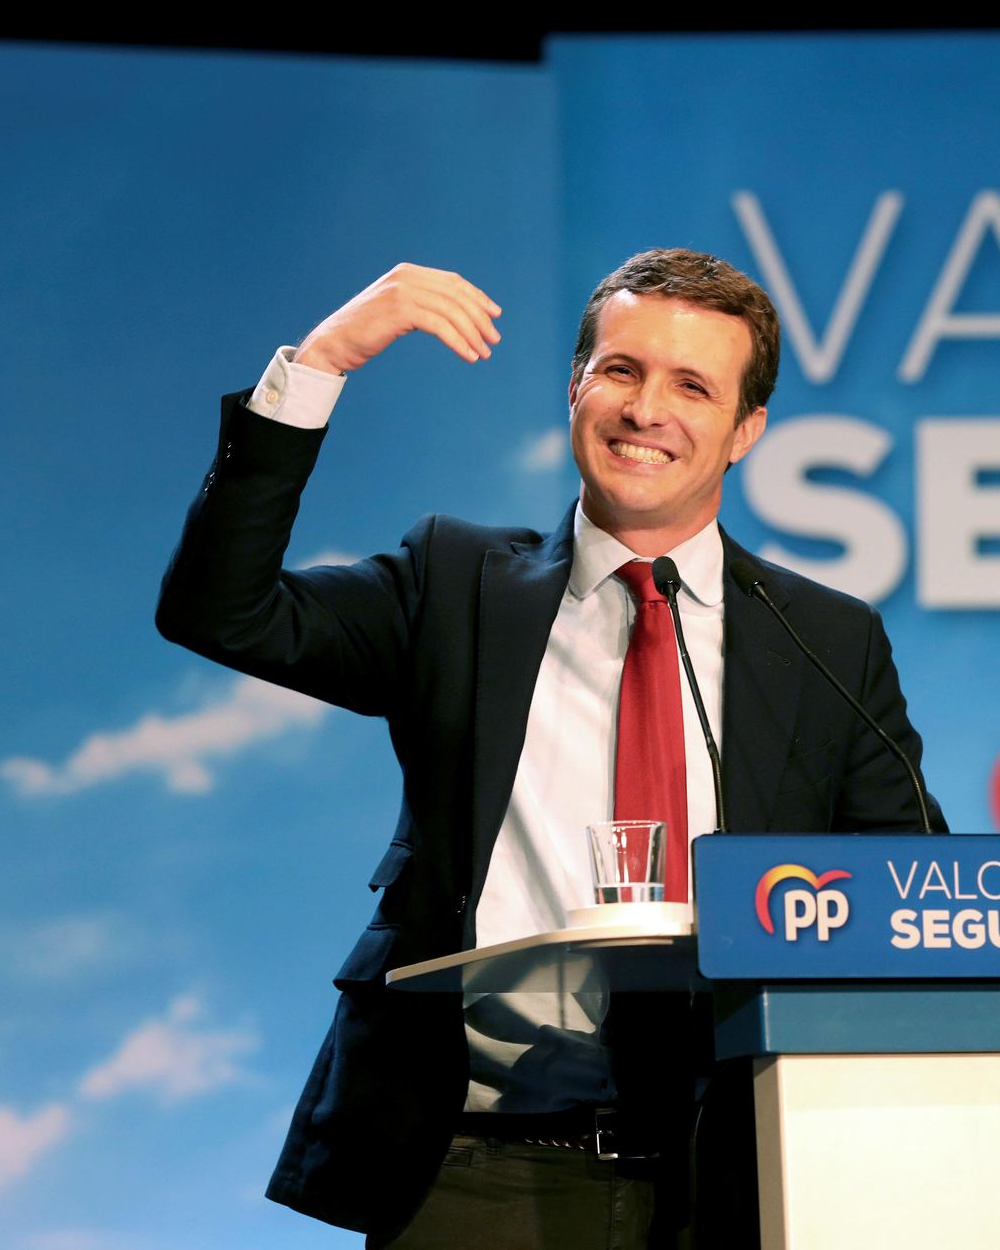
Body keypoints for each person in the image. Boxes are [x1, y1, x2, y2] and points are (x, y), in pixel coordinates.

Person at [155, 254, 946, 1248]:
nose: (646, 409)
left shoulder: (826, 640)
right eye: (621, 370)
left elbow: (913, 900)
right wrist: (319, 365)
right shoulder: (455, 583)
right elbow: (220, 610)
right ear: (576, 386)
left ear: (747, 430)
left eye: (692, 385)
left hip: (739, 1180)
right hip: (476, 1176)